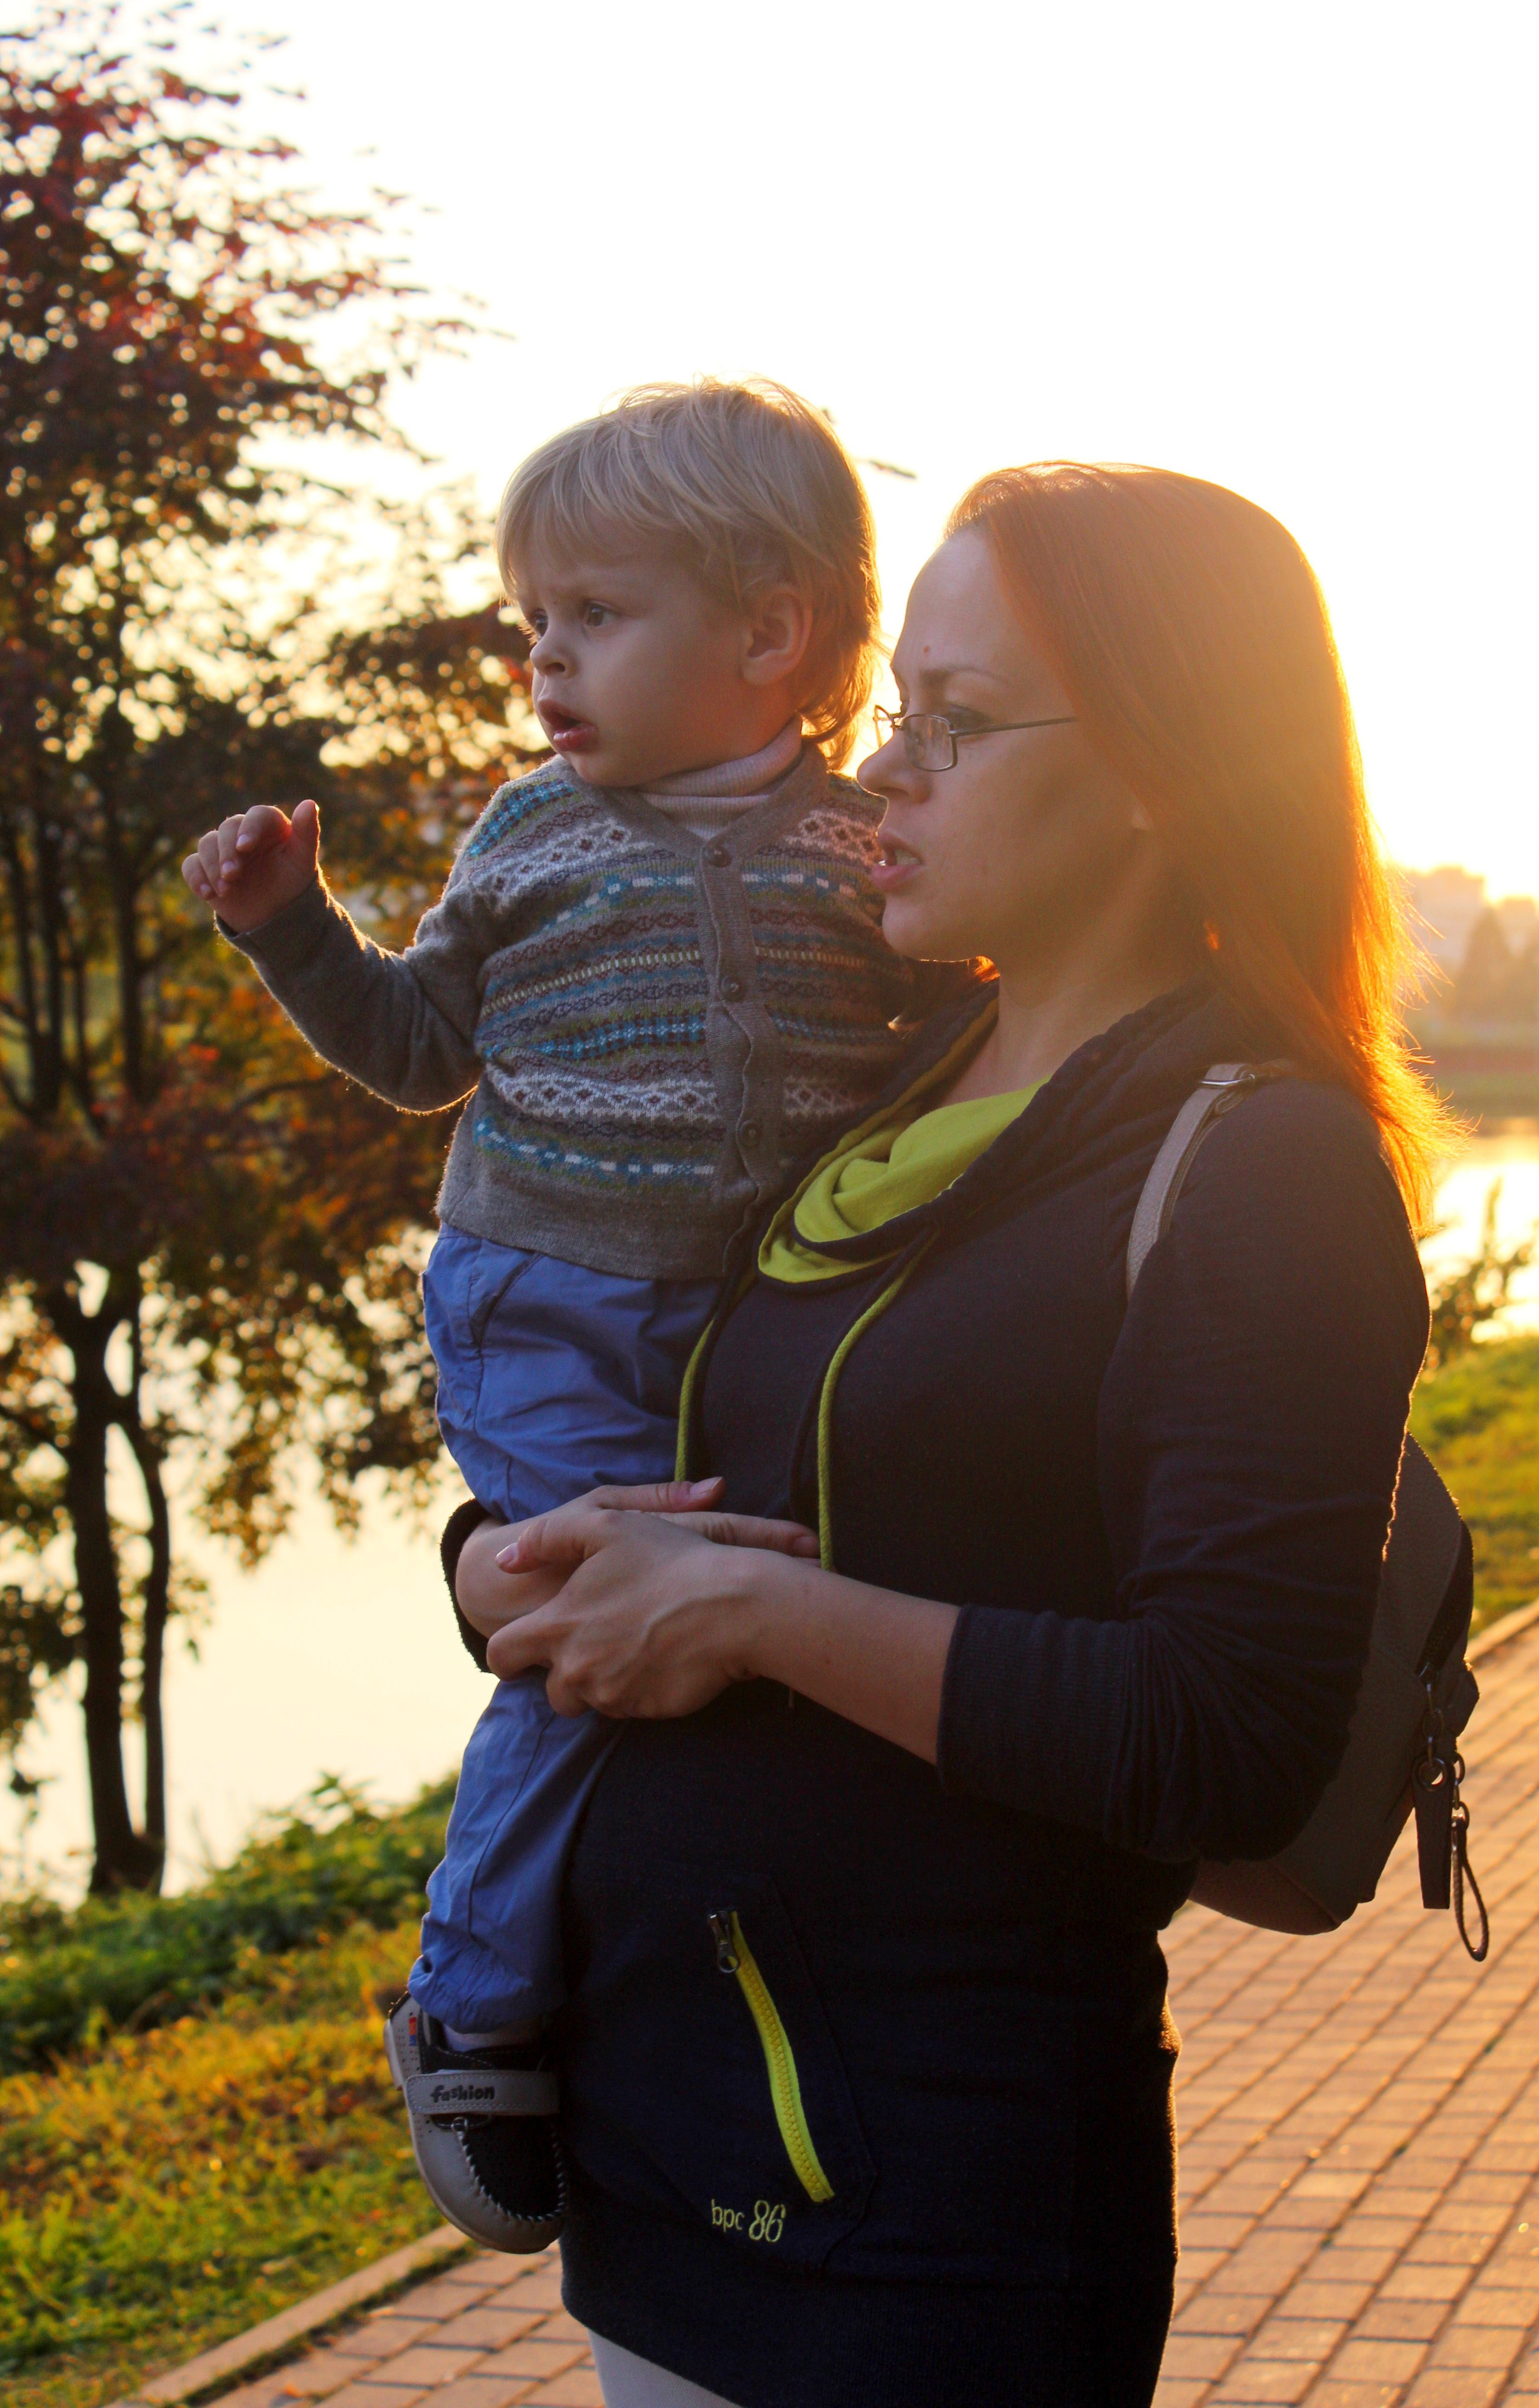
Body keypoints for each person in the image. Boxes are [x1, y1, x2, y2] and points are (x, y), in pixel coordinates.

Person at [446, 460, 1444, 2408]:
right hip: (667, 2166)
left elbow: (1231, 1739)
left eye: (956, 724)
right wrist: (494, 1569)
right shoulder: (871, 1098)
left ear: (1163, 764)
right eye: (900, 710)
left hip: (930, 2224)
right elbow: (687, 1505)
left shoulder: (1261, 1165)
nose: (884, 772)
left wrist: (754, 1626)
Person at [179, 379, 949, 2253]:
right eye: (537, 620)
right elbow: (419, 1053)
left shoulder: (864, 852)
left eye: (593, 617)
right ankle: (473, 2002)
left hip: (762, 1303)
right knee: (590, 1615)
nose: (542, 659)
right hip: (546, 1300)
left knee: (762, 1612)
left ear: (769, 635)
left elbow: (947, 1047)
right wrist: (298, 933)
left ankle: (722, 1971)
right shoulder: (526, 837)